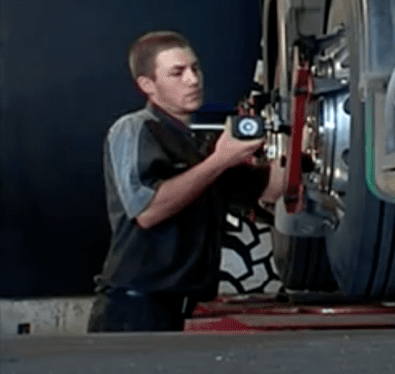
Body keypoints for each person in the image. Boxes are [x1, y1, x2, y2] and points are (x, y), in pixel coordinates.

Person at [88, 31, 283, 332]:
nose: (193, 80)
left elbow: (273, 188)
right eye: (177, 73)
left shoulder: (200, 148)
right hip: (135, 312)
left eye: (196, 68)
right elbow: (146, 211)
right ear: (147, 85)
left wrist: (293, 132)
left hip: (184, 311)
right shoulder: (133, 130)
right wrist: (220, 160)